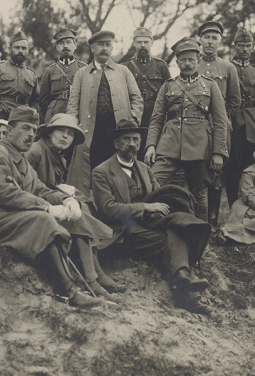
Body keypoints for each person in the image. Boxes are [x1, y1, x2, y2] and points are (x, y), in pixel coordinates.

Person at [0, 106, 114, 307]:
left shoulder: (23, 162)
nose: (30, 135)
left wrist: (65, 201)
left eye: (34, 131)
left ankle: (93, 282)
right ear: (10, 130)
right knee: (44, 219)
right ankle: (68, 292)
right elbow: (5, 194)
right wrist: (46, 208)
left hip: (10, 214)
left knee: (73, 217)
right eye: (25, 128)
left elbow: (39, 188)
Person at [92, 119, 213, 315]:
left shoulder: (145, 169)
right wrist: (146, 207)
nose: (132, 144)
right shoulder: (102, 172)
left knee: (177, 231)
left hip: (150, 225)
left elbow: (160, 194)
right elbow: (108, 209)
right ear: (116, 143)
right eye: (127, 139)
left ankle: (182, 278)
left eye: (136, 140)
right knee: (174, 239)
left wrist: (159, 209)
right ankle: (188, 296)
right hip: (124, 230)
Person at [26, 113, 126, 297]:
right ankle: (94, 280)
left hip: (49, 199)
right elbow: (27, 184)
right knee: (79, 217)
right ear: (49, 133)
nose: (65, 137)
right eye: (61, 131)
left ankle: (96, 276)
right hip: (34, 204)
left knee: (83, 206)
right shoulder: (36, 151)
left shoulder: (60, 158)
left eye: (70, 134)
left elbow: (52, 184)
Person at [145, 37, 227, 223]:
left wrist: (218, 152)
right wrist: (151, 145)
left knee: (199, 192)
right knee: (153, 182)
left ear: (198, 60)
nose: (187, 63)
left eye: (191, 59)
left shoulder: (210, 85)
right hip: (169, 145)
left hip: (199, 146)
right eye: (183, 59)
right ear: (177, 62)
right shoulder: (168, 86)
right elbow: (157, 119)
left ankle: (202, 231)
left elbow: (221, 121)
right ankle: (152, 224)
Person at [66, 30, 143, 193]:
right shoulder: (81, 74)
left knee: (119, 170)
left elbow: (137, 98)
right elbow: (73, 105)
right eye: (100, 45)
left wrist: (133, 122)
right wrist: (73, 129)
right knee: (91, 173)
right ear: (92, 48)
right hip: (91, 132)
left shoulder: (123, 71)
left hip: (117, 131)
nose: (104, 48)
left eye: (108, 45)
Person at [197, 21, 241, 226]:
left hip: (219, 128)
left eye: (214, 38)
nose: (210, 42)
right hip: (195, 127)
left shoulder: (228, 67)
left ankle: (213, 221)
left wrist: (221, 117)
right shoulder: (191, 63)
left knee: (216, 174)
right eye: (207, 37)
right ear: (200, 39)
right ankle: (197, 219)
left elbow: (234, 100)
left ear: (220, 42)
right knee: (197, 171)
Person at [227, 26, 255, 211]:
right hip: (232, 124)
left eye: (248, 45)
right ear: (234, 46)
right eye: (241, 45)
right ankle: (232, 209)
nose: (244, 49)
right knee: (232, 168)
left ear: (252, 48)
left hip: (252, 126)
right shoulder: (228, 68)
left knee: (250, 168)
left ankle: (250, 210)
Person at [121, 27, 171, 157]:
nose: (142, 45)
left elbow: (170, 93)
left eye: (146, 42)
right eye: (139, 42)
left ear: (152, 42)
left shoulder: (161, 66)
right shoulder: (125, 66)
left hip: (154, 117)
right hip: (133, 116)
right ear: (134, 43)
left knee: (153, 151)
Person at [0, 30, 39, 122]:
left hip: (24, 116)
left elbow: (36, 100)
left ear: (28, 51)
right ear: (9, 49)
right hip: (1, 115)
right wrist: (0, 109)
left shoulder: (32, 75)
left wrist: (33, 110)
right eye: (17, 48)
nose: (20, 51)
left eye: (24, 48)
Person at [38, 28, 87, 124]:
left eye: (69, 42)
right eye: (61, 43)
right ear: (57, 47)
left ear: (75, 45)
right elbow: (44, 101)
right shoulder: (50, 71)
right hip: (55, 115)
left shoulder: (84, 68)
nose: (65, 46)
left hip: (78, 113)